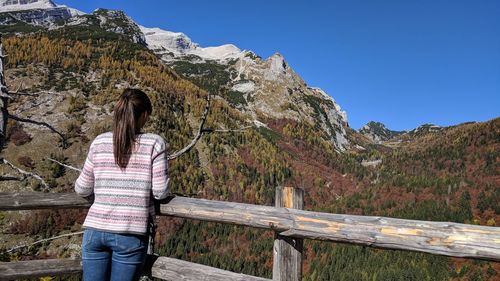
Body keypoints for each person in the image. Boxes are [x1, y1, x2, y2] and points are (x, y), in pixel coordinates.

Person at [75, 88, 169, 281]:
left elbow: (82, 188)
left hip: (94, 231)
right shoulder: (154, 143)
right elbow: (160, 192)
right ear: (143, 115)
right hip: (130, 233)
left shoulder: (99, 142)